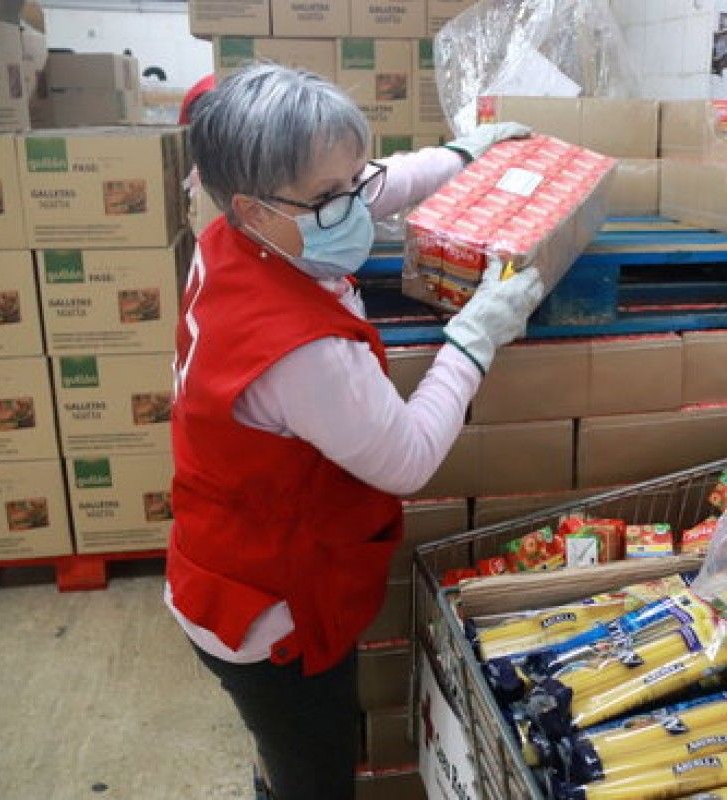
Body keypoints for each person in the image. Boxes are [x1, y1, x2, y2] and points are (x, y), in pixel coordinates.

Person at [164, 63, 543, 800]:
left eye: (351, 179)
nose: (356, 205)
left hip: (218, 553)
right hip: (267, 614)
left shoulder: (233, 237)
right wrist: (475, 336)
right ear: (254, 207)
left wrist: (465, 155)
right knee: (314, 769)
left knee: (279, 745)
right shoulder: (301, 352)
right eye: (326, 197)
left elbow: (374, 185)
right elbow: (406, 458)